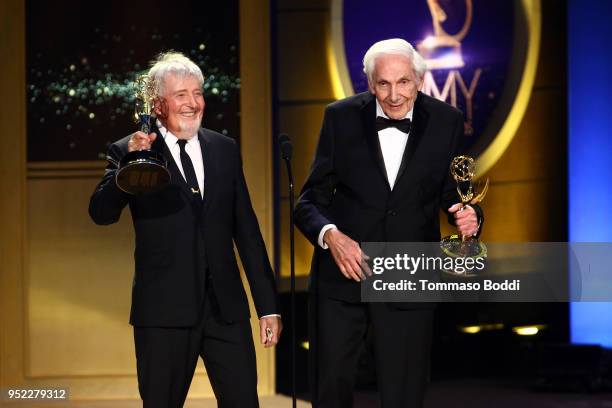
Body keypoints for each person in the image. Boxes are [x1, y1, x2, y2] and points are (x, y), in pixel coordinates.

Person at [295, 39, 483, 407]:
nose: (394, 95)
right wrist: (330, 236)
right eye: (383, 84)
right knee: (330, 386)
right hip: (343, 277)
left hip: (408, 273)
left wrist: (467, 215)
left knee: (405, 392)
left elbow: (455, 193)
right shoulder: (340, 117)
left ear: (418, 80)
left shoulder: (447, 121)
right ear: (369, 83)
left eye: (403, 83)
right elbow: (309, 201)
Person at [89, 51, 281, 408]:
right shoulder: (131, 150)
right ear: (159, 105)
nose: (193, 103)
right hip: (164, 313)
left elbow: (247, 232)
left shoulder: (224, 149)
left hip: (226, 310)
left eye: (198, 93)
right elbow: (101, 213)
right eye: (182, 95)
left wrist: (267, 306)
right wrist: (127, 168)